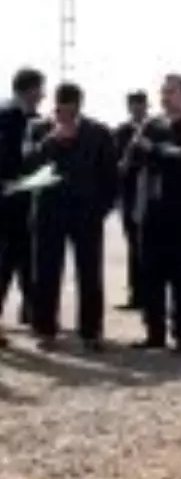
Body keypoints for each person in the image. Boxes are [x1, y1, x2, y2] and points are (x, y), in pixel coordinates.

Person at [28, 82, 119, 352]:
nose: (64, 111)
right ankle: (46, 329)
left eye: (70, 105)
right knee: (45, 272)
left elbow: (111, 178)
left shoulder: (99, 133)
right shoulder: (40, 129)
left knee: (90, 273)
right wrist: (50, 140)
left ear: (79, 105)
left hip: (86, 215)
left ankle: (91, 331)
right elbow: (28, 165)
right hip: (48, 213)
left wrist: (99, 211)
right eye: (60, 105)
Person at [132, 74, 181, 354]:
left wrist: (157, 151)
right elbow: (137, 155)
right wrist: (156, 152)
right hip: (151, 211)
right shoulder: (152, 125)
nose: (165, 97)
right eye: (162, 92)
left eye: (171, 92)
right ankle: (154, 333)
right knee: (150, 274)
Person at [0, 67, 45, 341]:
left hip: (26, 201)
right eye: (40, 88)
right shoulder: (7, 118)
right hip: (8, 203)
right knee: (5, 263)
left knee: (30, 260)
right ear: (29, 90)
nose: (43, 94)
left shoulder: (34, 119)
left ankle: (34, 314)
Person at [113, 90, 151, 312]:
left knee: (151, 248)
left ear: (147, 106)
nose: (137, 109)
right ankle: (137, 295)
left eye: (141, 104)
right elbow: (115, 165)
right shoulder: (121, 132)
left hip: (151, 198)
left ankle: (153, 296)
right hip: (129, 197)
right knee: (134, 247)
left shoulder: (156, 129)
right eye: (133, 105)